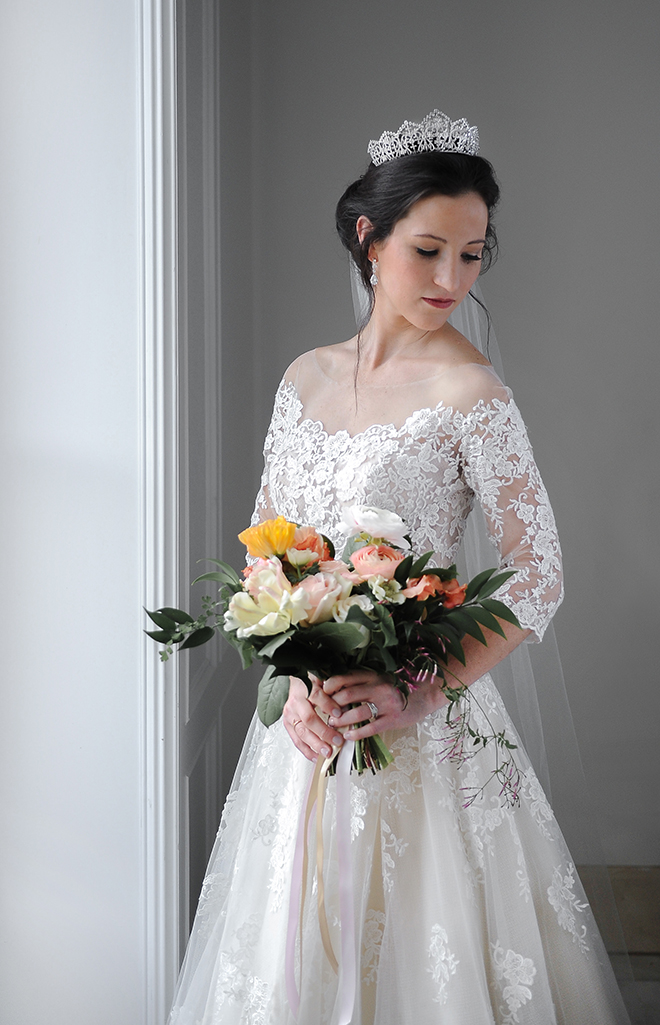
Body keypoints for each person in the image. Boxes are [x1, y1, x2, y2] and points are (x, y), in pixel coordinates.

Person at [168, 112, 632, 1024]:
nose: (453, 279)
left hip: (422, 721)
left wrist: (417, 693)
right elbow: (266, 544)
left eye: (472, 254)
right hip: (304, 732)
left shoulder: (472, 393)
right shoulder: (303, 378)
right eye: (429, 251)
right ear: (367, 237)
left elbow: (539, 575)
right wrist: (289, 678)